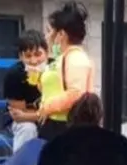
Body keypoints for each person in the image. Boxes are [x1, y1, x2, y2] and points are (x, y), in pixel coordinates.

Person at [37, 1, 95, 140]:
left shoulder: (76, 58)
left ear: (62, 34)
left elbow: (76, 93)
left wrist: (48, 106)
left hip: (63, 126)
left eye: (50, 31)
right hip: (53, 123)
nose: (47, 36)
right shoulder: (62, 57)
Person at [5, 30, 49, 152]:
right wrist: (43, 114)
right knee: (28, 129)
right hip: (23, 122)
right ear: (20, 57)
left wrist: (32, 114)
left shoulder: (55, 70)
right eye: (28, 56)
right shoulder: (14, 75)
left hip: (50, 118)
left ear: (47, 53)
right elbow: (19, 115)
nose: (34, 61)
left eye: (38, 54)